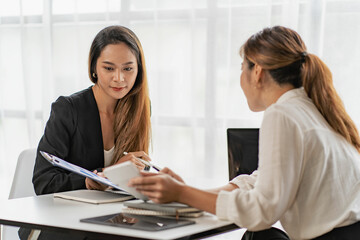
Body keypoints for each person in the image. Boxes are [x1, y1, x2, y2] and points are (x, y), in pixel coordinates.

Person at [129, 26, 360, 240]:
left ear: (257, 71)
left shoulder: (282, 113)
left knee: (257, 234)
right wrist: (187, 191)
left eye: (242, 68)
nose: (240, 79)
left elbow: (261, 211)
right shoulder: (309, 109)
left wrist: (182, 193)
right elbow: (260, 181)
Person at [19, 25, 152, 240]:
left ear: (138, 70)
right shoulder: (68, 109)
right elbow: (44, 182)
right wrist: (94, 179)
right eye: (109, 68)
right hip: (59, 224)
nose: (119, 78)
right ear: (94, 69)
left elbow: (129, 187)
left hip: (107, 219)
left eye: (128, 69)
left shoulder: (138, 110)